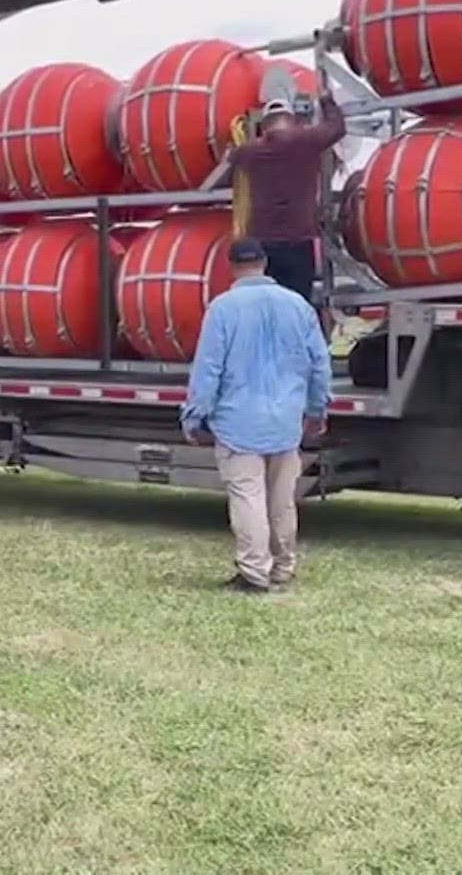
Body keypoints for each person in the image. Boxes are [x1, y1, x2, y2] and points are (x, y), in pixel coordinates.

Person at [180, 237, 333, 594]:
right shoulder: (298, 306)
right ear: (264, 263)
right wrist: (317, 409)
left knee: (248, 496)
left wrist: (194, 415)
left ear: (231, 266)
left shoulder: (223, 309)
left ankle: (253, 571)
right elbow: (318, 364)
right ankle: (283, 567)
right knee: (282, 499)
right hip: (285, 420)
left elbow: (208, 369)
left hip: (238, 422)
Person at [229, 92, 346, 310]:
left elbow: (231, 157)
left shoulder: (248, 152)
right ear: (292, 121)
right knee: (297, 306)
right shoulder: (306, 141)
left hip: (263, 244)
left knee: (266, 307)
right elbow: (337, 128)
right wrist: (326, 101)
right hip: (298, 241)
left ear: (264, 126)